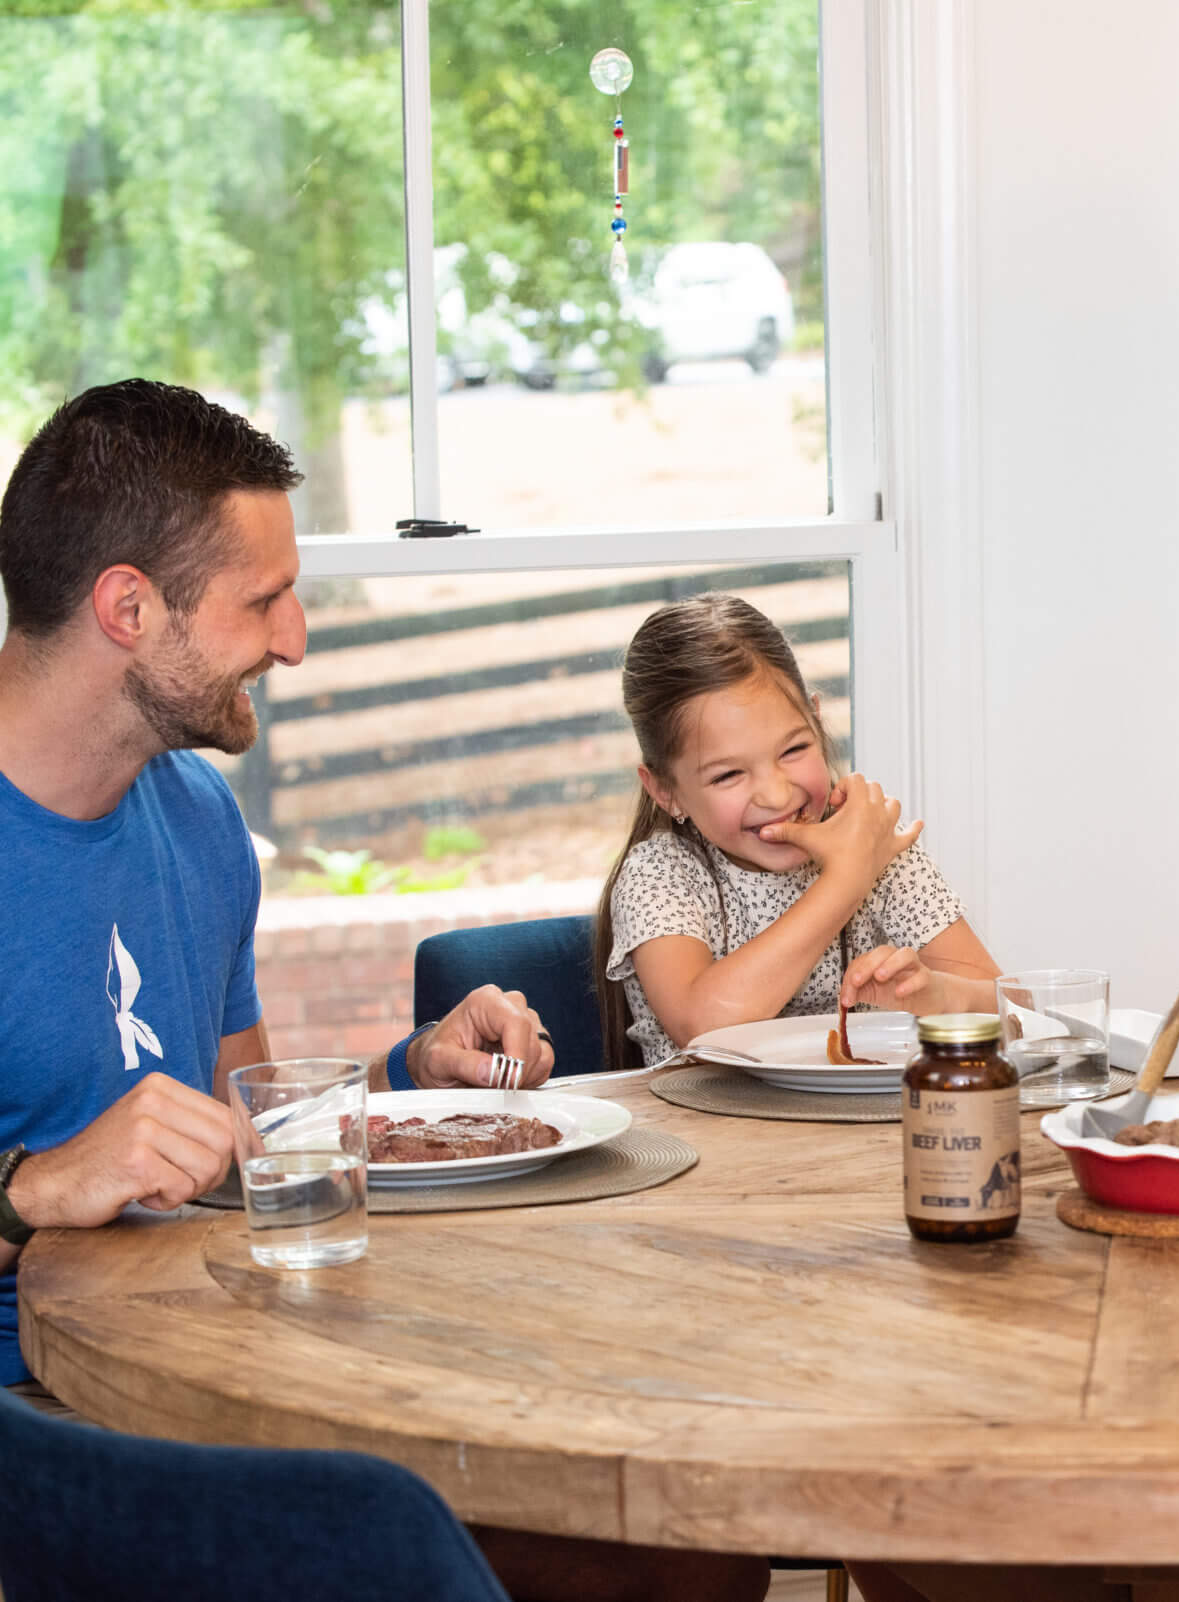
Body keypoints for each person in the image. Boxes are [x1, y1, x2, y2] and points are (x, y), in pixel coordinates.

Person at [0, 380, 764, 1602]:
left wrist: (413, 1071)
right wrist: (33, 1187)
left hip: (227, 1358)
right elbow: (69, 1181)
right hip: (54, 1439)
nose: (296, 638)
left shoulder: (195, 818)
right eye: (264, 600)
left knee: (689, 1549)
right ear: (128, 608)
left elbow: (245, 1133)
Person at [596, 594, 999, 1068]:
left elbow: (1011, 1009)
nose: (775, 794)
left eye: (793, 750)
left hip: (864, 1115)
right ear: (666, 790)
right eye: (728, 775)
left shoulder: (872, 842)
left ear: (816, 719)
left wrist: (940, 995)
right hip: (704, 1117)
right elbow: (703, 1026)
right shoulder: (660, 873)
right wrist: (847, 877)